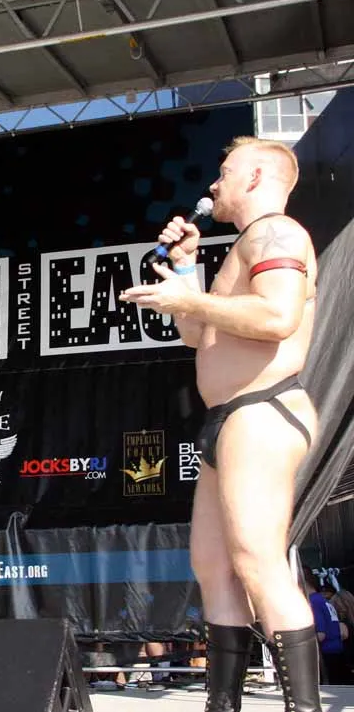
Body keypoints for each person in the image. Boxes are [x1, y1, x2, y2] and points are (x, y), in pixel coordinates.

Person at [120, 137, 320, 711]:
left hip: (262, 408)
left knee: (259, 561)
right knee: (212, 565)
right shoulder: (247, 243)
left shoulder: (278, 233)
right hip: (228, 418)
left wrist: (191, 299)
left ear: (255, 176)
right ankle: (222, 704)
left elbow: (277, 316)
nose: (213, 184)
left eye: (225, 172)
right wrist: (187, 269)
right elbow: (197, 334)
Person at [304, 567, 349, 685]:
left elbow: (320, 635)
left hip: (326, 657)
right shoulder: (323, 600)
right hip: (337, 653)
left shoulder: (313, 602)